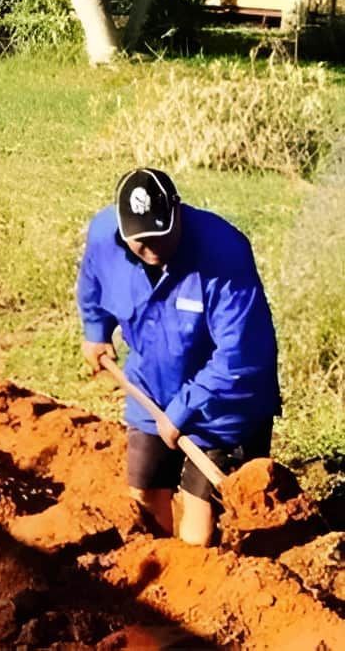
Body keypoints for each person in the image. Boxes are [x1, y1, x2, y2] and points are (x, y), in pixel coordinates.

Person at [77, 167, 280, 546]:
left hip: (225, 402)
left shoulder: (225, 254)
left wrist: (184, 409)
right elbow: (92, 279)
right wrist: (96, 331)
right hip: (153, 386)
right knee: (145, 498)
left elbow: (241, 357)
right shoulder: (104, 235)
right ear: (122, 230)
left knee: (198, 534)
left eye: (161, 234)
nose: (152, 247)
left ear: (178, 211)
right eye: (140, 240)